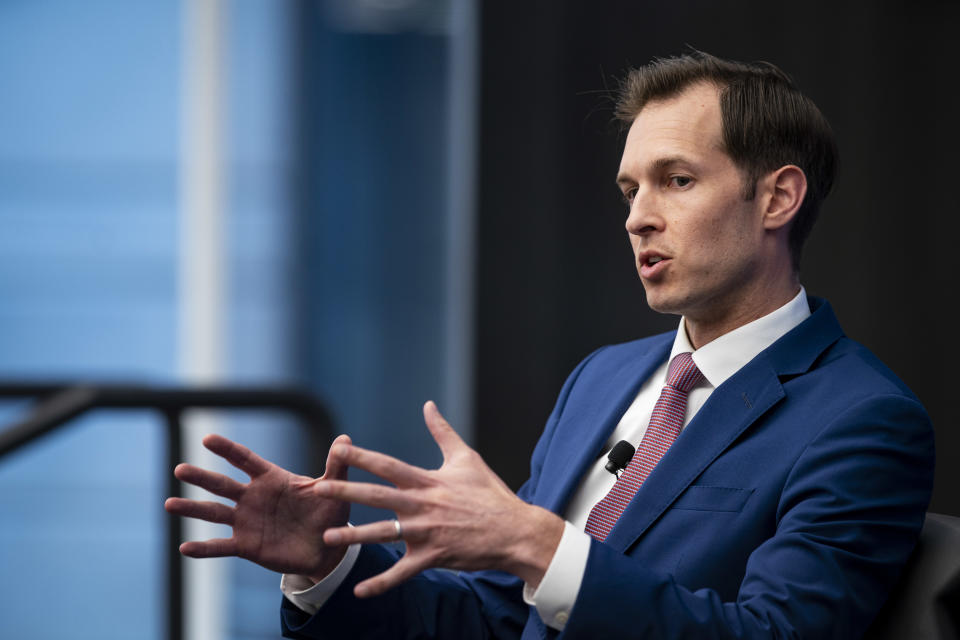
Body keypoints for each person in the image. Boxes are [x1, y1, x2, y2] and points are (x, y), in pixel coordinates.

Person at [165, 51, 935, 639]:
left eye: (676, 180)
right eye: (630, 190)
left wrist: (540, 546)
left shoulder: (861, 418)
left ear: (778, 197)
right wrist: (329, 565)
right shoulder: (603, 379)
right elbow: (505, 618)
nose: (638, 218)